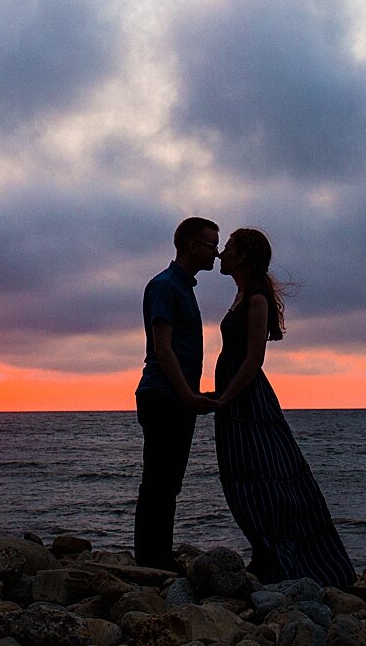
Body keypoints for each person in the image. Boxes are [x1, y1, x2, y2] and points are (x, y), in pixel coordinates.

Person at [210, 227, 356, 586]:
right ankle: (265, 553)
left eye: (227, 248)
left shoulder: (255, 299)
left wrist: (225, 397)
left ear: (242, 256)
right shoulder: (243, 294)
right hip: (234, 400)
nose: (220, 254)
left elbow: (254, 358)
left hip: (248, 402)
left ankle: (286, 562)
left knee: (264, 479)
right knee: (242, 478)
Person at [134, 216, 220, 570]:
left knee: (167, 481)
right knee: (159, 480)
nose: (216, 252)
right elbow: (163, 348)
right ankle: (152, 560)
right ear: (191, 246)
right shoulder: (167, 286)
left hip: (174, 396)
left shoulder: (182, 287)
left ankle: (158, 556)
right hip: (163, 396)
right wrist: (187, 394)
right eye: (211, 244)